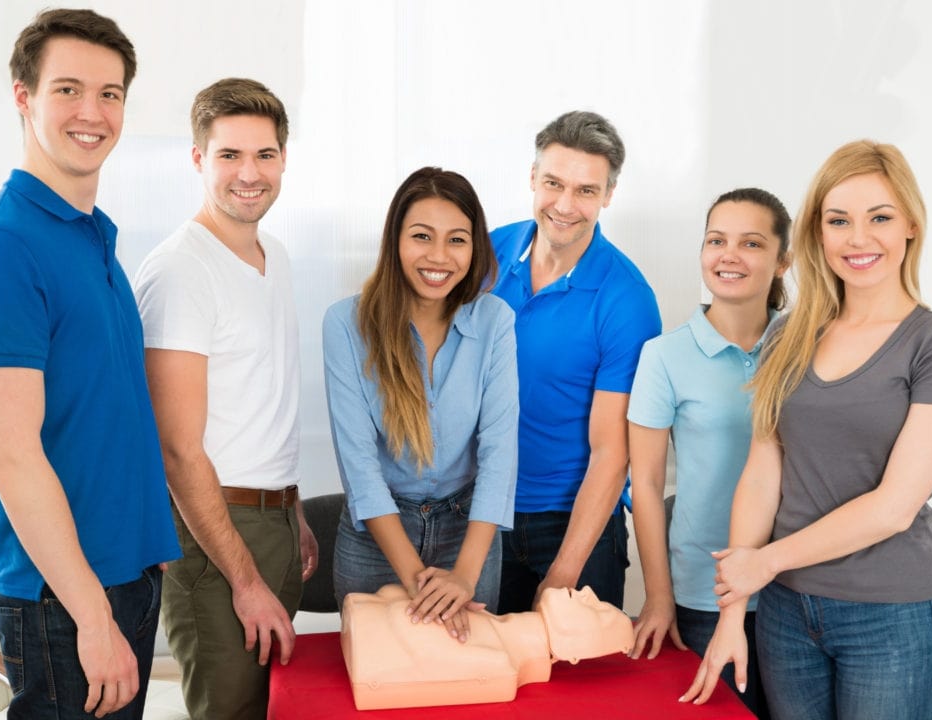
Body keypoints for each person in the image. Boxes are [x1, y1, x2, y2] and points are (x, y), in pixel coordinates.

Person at [686, 141, 932, 720]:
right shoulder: (789, 333)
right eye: (838, 220)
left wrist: (765, 563)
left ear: (911, 226)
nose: (858, 238)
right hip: (787, 614)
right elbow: (763, 470)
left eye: (880, 218)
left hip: (890, 616)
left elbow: (894, 508)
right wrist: (731, 614)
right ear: (819, 233)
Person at [0, 9, 180, 718]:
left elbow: (104, 414)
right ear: (24, 96)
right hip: (66, 600)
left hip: (124, 577)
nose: (93, 112)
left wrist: (143, 551)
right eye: (69, 89)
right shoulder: (2, 249)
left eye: (110, 94)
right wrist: (93, 616)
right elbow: (11, 457)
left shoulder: (92, 237)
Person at [133, 77, 315, 719]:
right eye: (229, 155)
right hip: (213, 535)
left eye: (264, 155)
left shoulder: (277, 256)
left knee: (272, 707)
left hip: (272, 521)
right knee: (229, 710)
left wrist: (290, 511)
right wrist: (243, 579)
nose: (250, 173)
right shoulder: (182, 270)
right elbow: (178, 450)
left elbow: (261, 404)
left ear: (284, 159)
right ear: (197, 159)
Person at [323, 166, 518, 642]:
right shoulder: (345, 324)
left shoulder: (495, 321)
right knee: (381, 683)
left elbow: (499, 454)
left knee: (467, 688)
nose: (439, 256)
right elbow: (360, 470)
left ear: (475, 249)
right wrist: (420, 582)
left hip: (467, 535)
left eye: (457, 239)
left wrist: (464, 577)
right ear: (395, 241)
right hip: (377, 538)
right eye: (421, 236)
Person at [628, 188, 790, 720]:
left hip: (799, 585)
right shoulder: (664, 356)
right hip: (706, 591)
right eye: (716, 240)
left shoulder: (809, 345)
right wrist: (658, 596)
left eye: (751, 243)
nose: (729, 255)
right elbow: (647, 484)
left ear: (783, 259)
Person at [490, 110, 661, 612]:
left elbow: (613, 453)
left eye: (586, 190)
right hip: (483, 515)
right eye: (553, 184)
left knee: (576, 688)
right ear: (532, 179)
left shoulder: (626, 299)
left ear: (608, 194)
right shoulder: (489, 253)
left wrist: (563, 574)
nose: (565, 206)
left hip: (574, 525)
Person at [340, 584, 633, 710]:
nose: (587, 592)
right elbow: (396, 599)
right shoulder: (485, 615)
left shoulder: (498, 665)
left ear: (573, 654)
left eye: (597, 610)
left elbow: (411, 632)